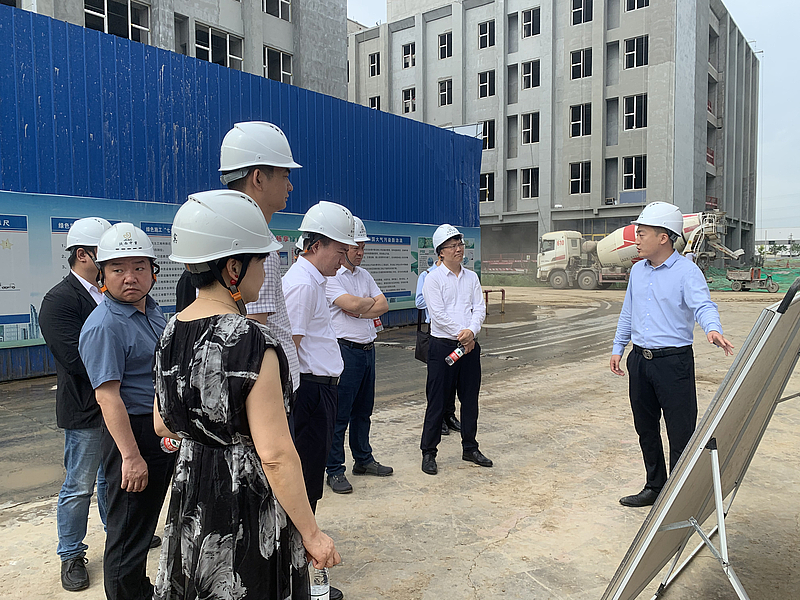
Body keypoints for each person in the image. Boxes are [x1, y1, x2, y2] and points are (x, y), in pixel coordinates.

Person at [152, 190, 339, 600]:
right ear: (233, 268)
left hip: (191, 492)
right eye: (262, 260)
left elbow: (162, 422)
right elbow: (275, 455)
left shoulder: (170, 332)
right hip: (244, 498)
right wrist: (312, 533)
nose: (267, 270)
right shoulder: (252, 341)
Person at [610, 202, 734, 508]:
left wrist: (712, 329)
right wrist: (618, 347)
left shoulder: (687, 272)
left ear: (663, 237)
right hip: (640, 361)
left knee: (680, 433)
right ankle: (655, 486)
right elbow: (628, 312)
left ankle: (678, 498)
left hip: (673, 363)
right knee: (646, 429)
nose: (636, 239)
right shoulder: (637, 271)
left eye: (642, 233)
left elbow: (703, 305)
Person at [78, 223, 174, 600]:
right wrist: (131, 458)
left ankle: (140, 590)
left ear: (153, 272)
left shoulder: (152, 311)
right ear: (103, 275)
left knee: (145, 523)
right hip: (131, 435)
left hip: (158, 430)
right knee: (128, 533)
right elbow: (108, 398)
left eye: (138, 267)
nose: (129, 277)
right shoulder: (104, 325)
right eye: (118, 269)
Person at [283, 201, 356, 600]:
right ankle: (297, 583)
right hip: (307, 393)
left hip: (319, 390)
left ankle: (297, 576)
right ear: (315, 245)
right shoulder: (302, 284)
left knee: (309, 487)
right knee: (303, 489)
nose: (343, 260)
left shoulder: (314, 281)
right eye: (339, 251)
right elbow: (290, 348)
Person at [39, 217, 111, 591]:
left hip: (117, 405)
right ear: (83, 254)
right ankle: (71, 554)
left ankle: (118, 533)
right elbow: (74, 358)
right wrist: (122, 367)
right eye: (105, 253)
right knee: (79, 485)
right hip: (85, 409)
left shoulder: (108, 292)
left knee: (111, 477)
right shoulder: (60, 300)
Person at [219, 121, 302, 395]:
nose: (290, 186)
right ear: (258, 178)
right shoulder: (256, 246)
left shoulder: (221, 233)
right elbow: (253, 330)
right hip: (267, 389)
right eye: (285, 175)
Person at [324, 217, 392, 494]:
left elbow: (383, 304)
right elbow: (349, 303)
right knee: (340, 414)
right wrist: (365, 304)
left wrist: (360, 310)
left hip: (367, 349)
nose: (360, 252)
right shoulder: (332, 278)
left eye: (363, 247)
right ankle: (334, 469)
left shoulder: (364, 276)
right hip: (345, 351)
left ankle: (363, 459)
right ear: (344, 247)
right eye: (355, 247)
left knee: (364, 411)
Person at [420, 224, 491, 475]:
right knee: (437, 401)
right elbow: (438, 315)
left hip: (469, 348)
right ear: (441, 252)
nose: (459, 249)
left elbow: (479, 307)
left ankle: (470, 447)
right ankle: (429, 452)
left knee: (470, 400)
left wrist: (472, 332)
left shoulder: (471, 277)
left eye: (460, 244)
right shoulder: (433, 279)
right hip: (443, 347)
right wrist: (464, 334)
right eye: (452, 246)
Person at [415, 255, 460, 436]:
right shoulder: (427, 275)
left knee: (453, 377)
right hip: (436, 333)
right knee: (437, 379)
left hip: (455, 333)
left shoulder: (456, 275)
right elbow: (419, 302)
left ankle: (449, 414)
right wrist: (437, 298)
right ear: (441, 254)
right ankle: (438, 418)